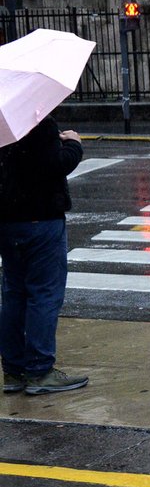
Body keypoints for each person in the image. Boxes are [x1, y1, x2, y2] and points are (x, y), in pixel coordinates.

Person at [0, 116, 87, 395]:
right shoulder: (37, 124)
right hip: (41, 220)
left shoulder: (4, 125)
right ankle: (40, 370)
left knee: (14, 294)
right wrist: (73, 144)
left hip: (7, 221)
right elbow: (54, 166)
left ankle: (13, 371)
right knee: (44, 294)